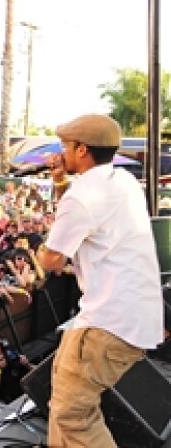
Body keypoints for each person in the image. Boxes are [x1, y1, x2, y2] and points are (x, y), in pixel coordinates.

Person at [36, 113, 163, 447]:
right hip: (133, 319)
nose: (61, 153)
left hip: (106, 323)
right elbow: (82, 217)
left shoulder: (82, 197)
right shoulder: (123, 182)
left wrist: (38, 251)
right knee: (61, 396)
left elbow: (52, 258)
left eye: (65, 146)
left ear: (81, 150)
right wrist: (62, 182)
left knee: (73, 416)